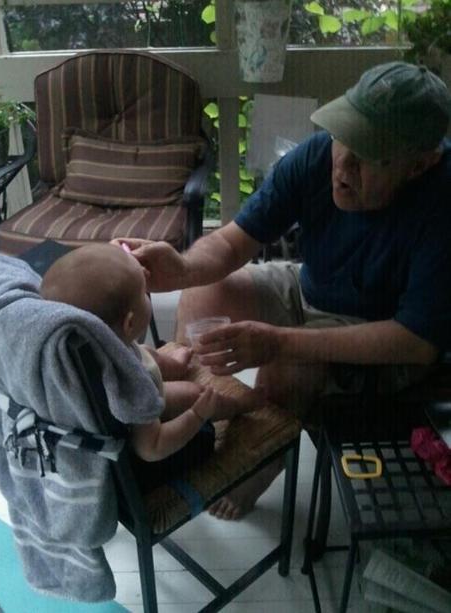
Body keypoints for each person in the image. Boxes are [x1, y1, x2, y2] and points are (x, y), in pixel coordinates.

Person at [113, 61, 451, 518]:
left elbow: (416, 344)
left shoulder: (442, 206)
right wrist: (183, 267)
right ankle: (194, 418)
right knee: (206, 293)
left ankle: (253, 467)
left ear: (420, 164)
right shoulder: (317, 157)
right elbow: (233, 241)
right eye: (342, 138)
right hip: (310, 285)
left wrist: (276, 342)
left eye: (369, 156)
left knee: (286, 370)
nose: (343, 166)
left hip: (380, 332)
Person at [40, 243, 264, 473]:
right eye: (143, 293)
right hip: (145, 455)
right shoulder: (132, 387)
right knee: (194, 395)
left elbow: (144, 355)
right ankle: (237, 406)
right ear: (130, 323)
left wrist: (130, 272)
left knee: (148, 352)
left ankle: (176, 366)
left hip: (130, 402)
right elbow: (152, 448)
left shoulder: (94, 346)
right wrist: (197, 415)